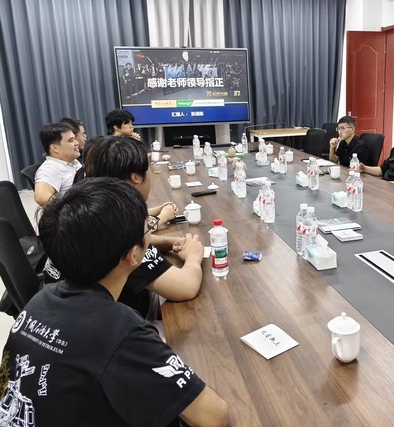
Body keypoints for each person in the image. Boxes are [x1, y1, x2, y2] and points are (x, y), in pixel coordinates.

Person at [0, 178, 228, 426]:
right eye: (147, 231)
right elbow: (214, 417)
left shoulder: (39, 300)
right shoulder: (120, 331)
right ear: (133, 254)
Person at [47, 136, 201, 319]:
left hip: (61, 311)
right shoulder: (120, 227)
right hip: (111, 324)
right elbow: (186, 287)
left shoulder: (87, 205)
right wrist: (193, 256)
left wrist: (168, 242)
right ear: (136, 176)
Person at [34, 122, 82, 207]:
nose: (77, 143)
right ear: (55, 148)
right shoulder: (50, 168)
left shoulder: (72, 161)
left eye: (75, 139)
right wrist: (69, 211)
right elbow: (41, 197)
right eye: (71, 140)